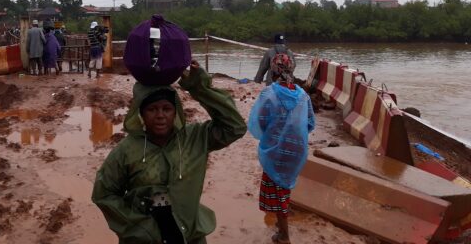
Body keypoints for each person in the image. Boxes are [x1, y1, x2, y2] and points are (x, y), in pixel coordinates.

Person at [92, 61, 247, 244]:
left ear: (176, 112)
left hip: (189, 235)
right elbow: (104, 194)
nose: (160, 115)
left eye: (166, 109)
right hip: (142, 239)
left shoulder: (195, 138)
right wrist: (138, 227)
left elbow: (234, 127)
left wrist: (200, 89)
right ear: (141, 113)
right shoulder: (126, 149)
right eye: (152, 109)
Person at [248, 53, 315, 244]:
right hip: (295, 151)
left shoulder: (269, 93)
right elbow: (309, 123)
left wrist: (274, 135)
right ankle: (281, 224)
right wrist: (294, 136)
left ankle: (284, 235)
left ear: (273, 69)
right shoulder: (303, 95)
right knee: (284, 187)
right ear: (292, 68)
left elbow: (258, 121)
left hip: (274, 150)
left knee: (276, 192)